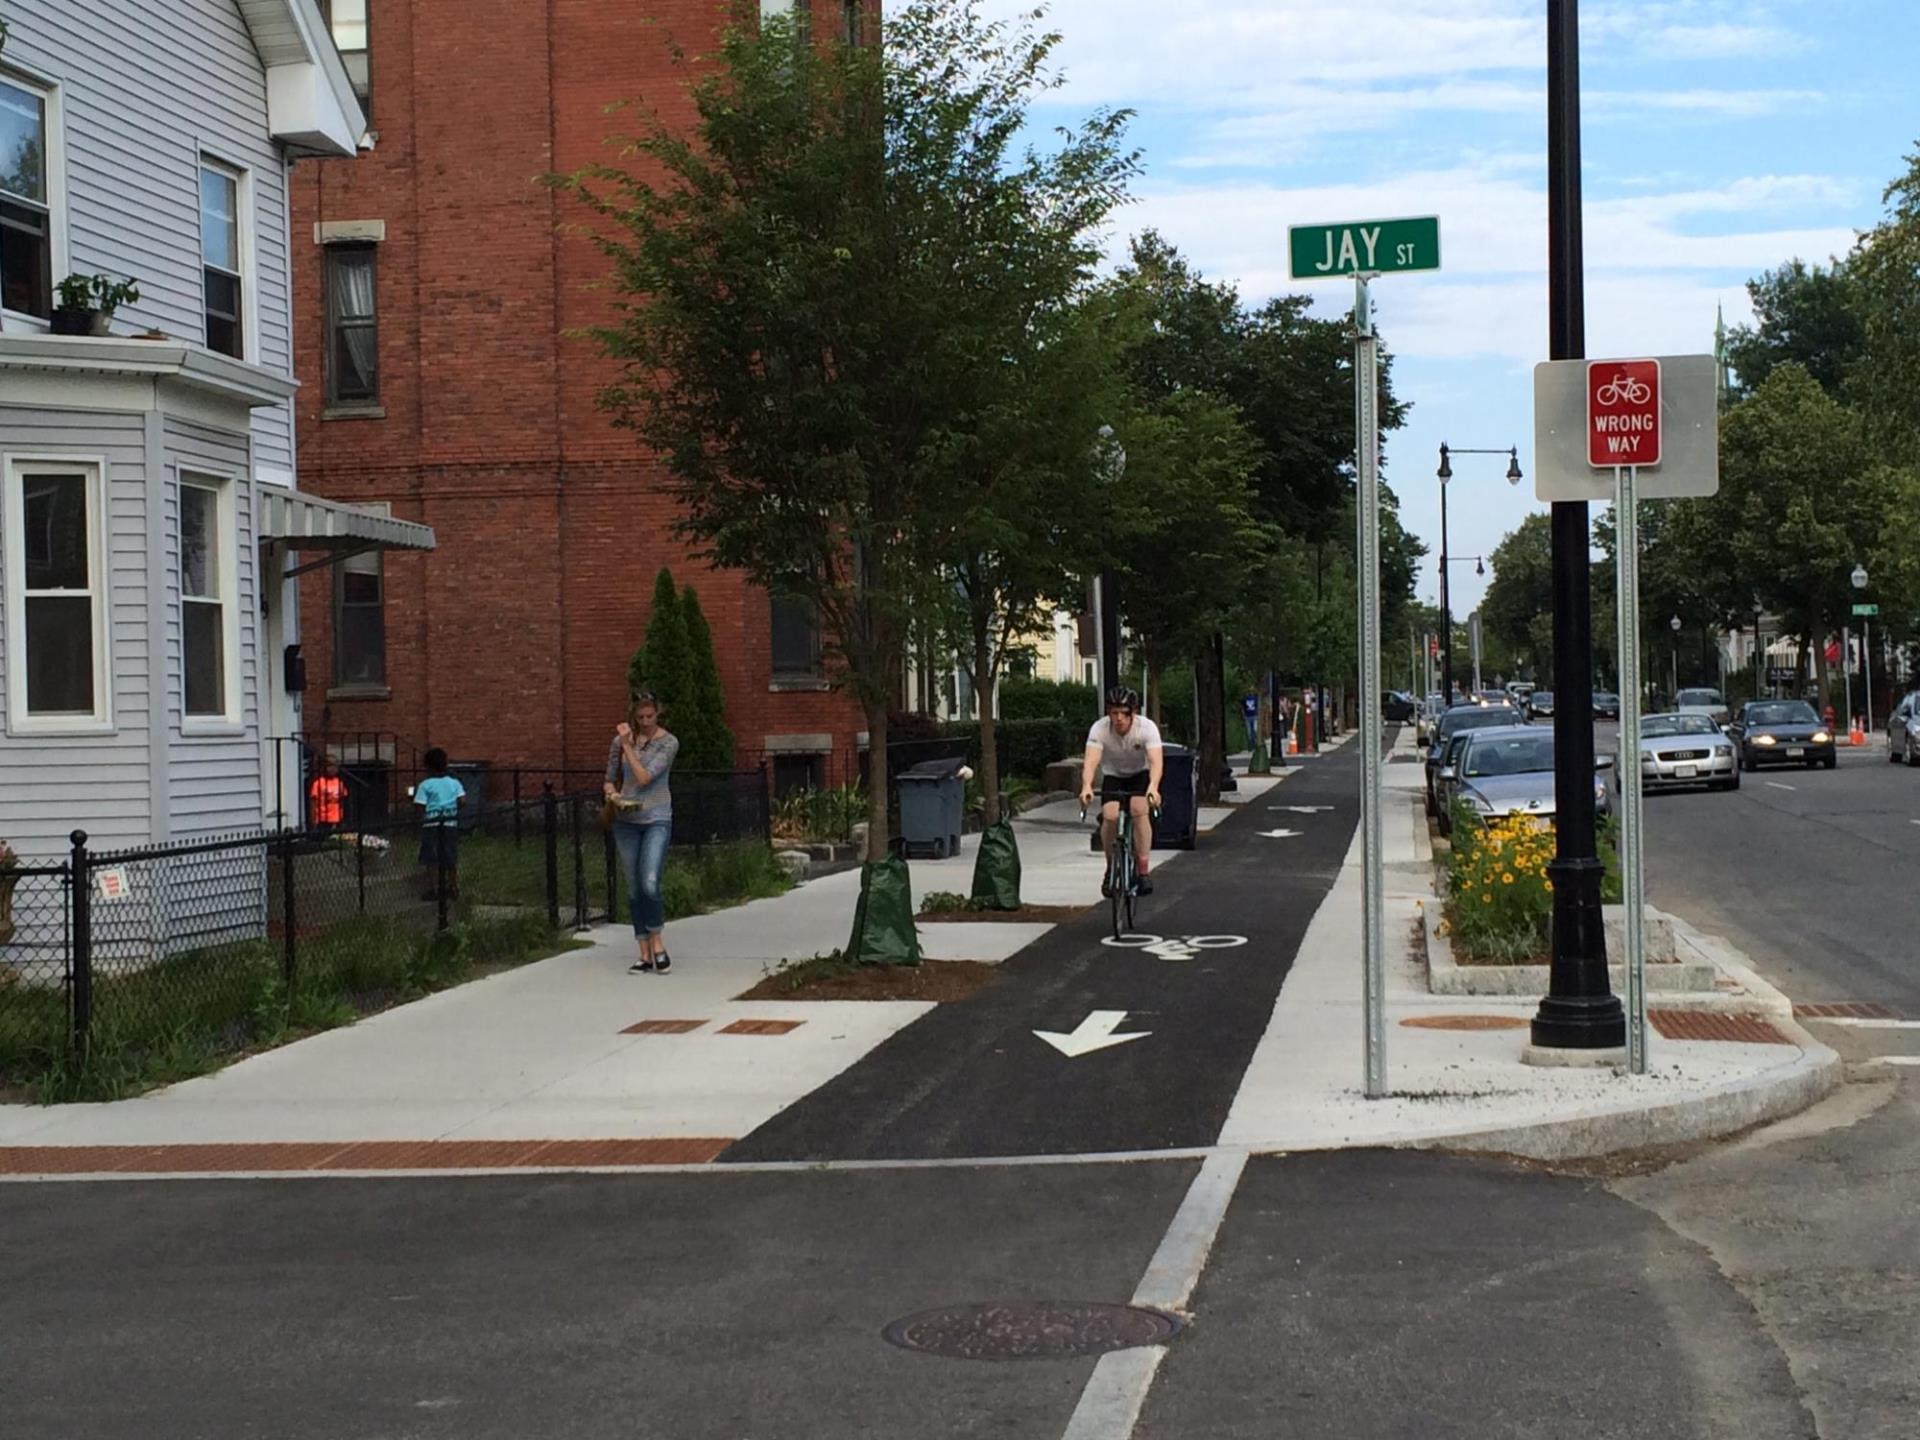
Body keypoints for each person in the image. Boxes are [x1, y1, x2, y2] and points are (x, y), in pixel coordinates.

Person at [604, 690, 679, 975]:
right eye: (640, 717)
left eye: (650, 716)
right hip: (626, 820)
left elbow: (645, 777)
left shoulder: (668, 743)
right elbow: (610, 778)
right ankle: (644, 951)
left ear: (658, 714)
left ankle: (657, 940)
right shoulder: (619, 743)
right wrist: (611, 793)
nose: (645, 722)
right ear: (633, 717)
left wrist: (627, 746)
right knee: (634, 887)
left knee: (650, 881)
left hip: (656, 817)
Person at [1078, 686, 1164, 898]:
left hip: (1139, 774)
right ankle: (1111, 867)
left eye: (1123, 713)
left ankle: (1143, 870)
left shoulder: (1147, 728)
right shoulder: (1099, 729)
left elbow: (1155, 761)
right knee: (1110, 815)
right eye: (1114, 713)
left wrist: (1153, 786)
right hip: (1114, 776)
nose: (1118, 719)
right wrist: (1087, 785)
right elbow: (1091, 761)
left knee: (1138, 808)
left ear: (1133, 713)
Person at [412, 748, 466, 899]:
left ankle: (435, 890)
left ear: (427, 766)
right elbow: (462, 801)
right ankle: (454, 887)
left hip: (431, 825)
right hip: (450, 824)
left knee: (431, 858)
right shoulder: (454, 783)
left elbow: (420, 805)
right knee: (450, 856)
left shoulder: (425, 785)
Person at [308, 756, 346, 835]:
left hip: (336, 818)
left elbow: (342, 800)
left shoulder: (339, 783)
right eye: (329, 765)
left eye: (335, 765)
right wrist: (313, 819)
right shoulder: (318, 783)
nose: (332, 768)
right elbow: (313, 802)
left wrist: (342, 815)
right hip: (323, 819)